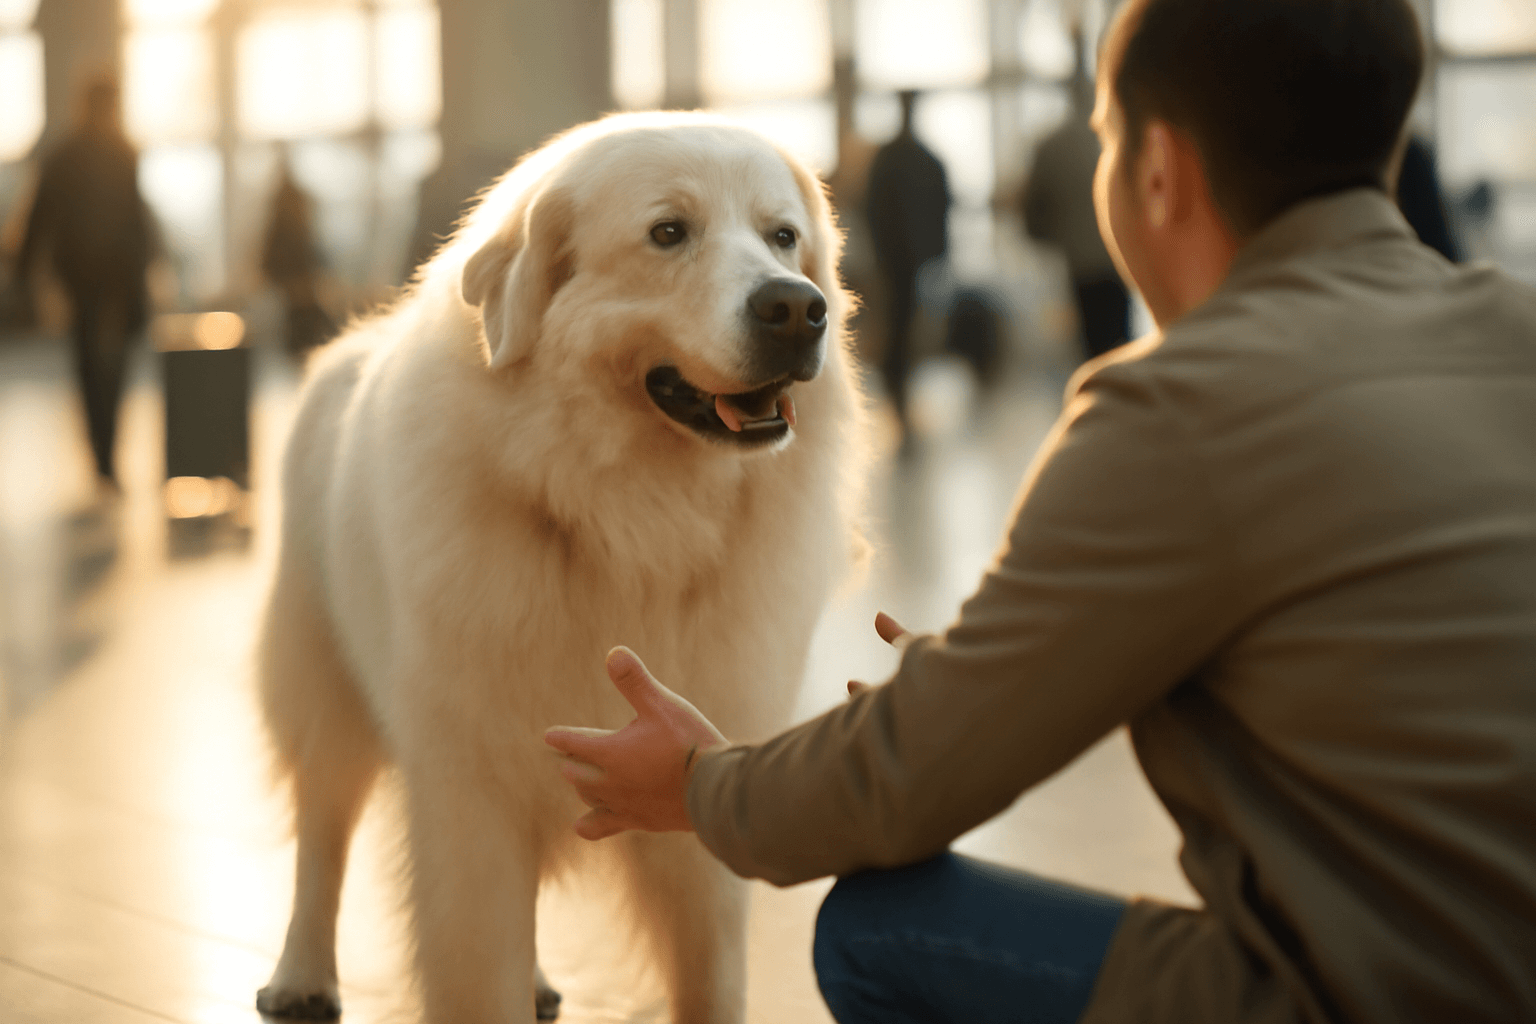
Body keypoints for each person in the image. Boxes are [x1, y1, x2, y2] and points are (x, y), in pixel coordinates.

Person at [546, 0, 1536, 1021]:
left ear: (1158, 168)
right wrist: (1012, 659)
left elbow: (911, 782)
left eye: (1105, 138)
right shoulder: (1520, 327)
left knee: (881, 926)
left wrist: (704, 785)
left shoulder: (1175, 408)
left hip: (1385, 998)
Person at [15, 73, 154, 493]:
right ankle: (104, 457)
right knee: (100, 369)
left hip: (105, 279)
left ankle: (104, 456)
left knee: (97, 369)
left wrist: (23, 274)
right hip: (102, 279)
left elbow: (134, 217)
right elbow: (44, 216)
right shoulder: (100, 152)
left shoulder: (90, 153)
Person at [1022, 41, 1131, 360]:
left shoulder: (1052, 146)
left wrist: (1058, 237)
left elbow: (1033, 214)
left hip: (1080, 261)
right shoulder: (1116, 136)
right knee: (1119, 341)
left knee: (1092, 346)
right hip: (1118, 257)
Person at [863, 90, 950, 443]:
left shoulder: (897, 159)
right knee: (901, 332)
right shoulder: (919, 159)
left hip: (902, 262)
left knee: (906, 331)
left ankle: (902, 400)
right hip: (902, 262)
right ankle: (899, 401)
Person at [261, 150, 334, 358]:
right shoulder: (289, 211)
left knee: (305, 341)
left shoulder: (282, 208)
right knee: (305, 340)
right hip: (298, 290)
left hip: (298, 290)